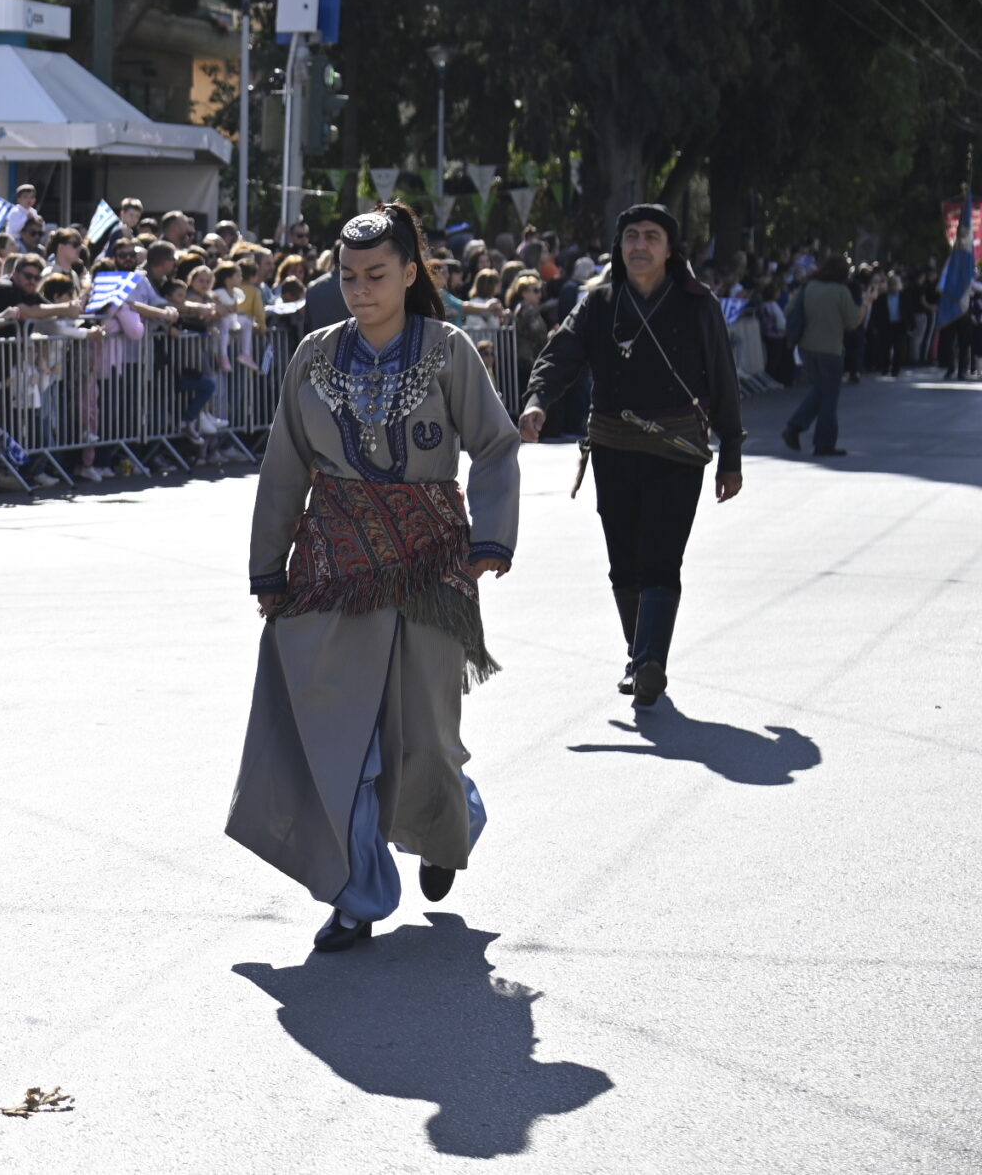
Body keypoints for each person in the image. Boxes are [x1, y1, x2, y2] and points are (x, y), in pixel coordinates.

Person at [229, 204, 519, 954]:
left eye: (376, 275)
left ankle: (449, 823)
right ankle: (357, 897)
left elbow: (494, 444)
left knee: (427, 736)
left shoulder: (450, 350)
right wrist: (268, 566)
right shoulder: (315, 354)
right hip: (333, 563)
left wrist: (492, 534)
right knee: (343, 738)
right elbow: (284, 465)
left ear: (410, 274)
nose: (359, 289)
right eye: (348, 276)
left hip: (431, 564)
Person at [519, 205, 743, 707]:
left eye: (651, 236)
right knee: (623, 561)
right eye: (631, 236)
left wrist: (731, 452)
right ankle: (638, 656)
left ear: (670, 248)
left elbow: (724, 378)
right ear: (619, 247)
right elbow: (560, 355)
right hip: (613, 449)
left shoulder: (698, 304)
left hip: (677, 449)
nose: (640, 245)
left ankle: (648, 662)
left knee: (661, 556)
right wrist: (537, 401)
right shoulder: (598, 303)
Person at [781, 257, 864, 457]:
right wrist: (865, 305)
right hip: (831, 349)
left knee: (820, 391)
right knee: (829, 398)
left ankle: (795, 427)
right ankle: (822, 442)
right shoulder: (841, 291)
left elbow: (789, 309)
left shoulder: (808, 287)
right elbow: (852, 322)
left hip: (807, 347)